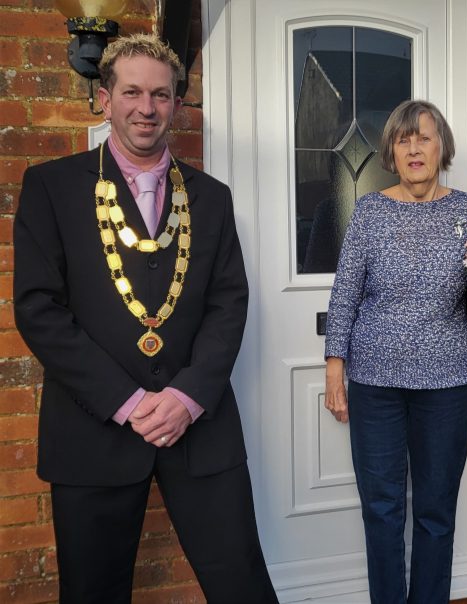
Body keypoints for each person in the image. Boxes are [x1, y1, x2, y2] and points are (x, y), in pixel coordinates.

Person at [13, 34, 278, 603]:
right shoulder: (51, 187)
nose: (146, 108)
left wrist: (185, 398)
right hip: (94, 431)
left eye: (161, 95)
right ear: (104, 98)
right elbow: (38, 310)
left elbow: (228, 303)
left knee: (243, 585)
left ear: (177, 105)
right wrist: (130, 403)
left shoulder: (212, 196)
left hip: (198, 426)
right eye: (131, 92)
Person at [324, 99, 467, 604]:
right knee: (383, 508)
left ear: (443, 146)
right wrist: (336, 372)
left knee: (437, 509)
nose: (414, 147)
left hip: (447, 382)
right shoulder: (371, 210)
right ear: (390, 152)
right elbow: (346, 292)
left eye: (424, 136)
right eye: (403, 139)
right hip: (376, 383)